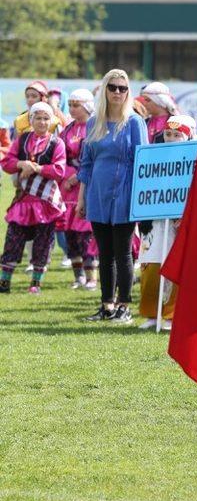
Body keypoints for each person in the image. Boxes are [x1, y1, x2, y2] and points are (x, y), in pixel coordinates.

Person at [77, 69, 148, 324]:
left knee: (123, 252)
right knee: (104, 253)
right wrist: (82, 199)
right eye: (113, 87)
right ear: (105, 89)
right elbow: (85, 163)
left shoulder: (134, 122)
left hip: (126, 193)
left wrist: (141, 199)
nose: (118, 92)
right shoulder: (92, 122)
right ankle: (106, 305)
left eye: (123, 88)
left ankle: (124, 306)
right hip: (97, 192)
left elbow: (144, 161)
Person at [0, 102, 66, 294]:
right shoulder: (22, 140)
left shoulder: (57, 143)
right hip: (23, 201)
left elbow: (59, 170)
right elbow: (7, 163)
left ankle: (35, 284)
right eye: (38, 118)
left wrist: (36, 168)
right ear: (31, 120)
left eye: (46, 118)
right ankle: (4, 283)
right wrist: (22, 163)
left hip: (45, 202)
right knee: (13, 239)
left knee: (43, 243)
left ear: (52, 120)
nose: (42, 122)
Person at [138, 114, 197, 331]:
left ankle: (172, 315)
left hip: (181, 222)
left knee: (177, 267)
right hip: (155, 221)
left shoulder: (195, 160)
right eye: (168, 134)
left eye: (177, 135)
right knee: (151, 264)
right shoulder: (153, 156)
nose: (171, 138)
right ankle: (152, 313)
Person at [58, 89, 99, 290]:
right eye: (71, 105)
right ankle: (78, 276)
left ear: (87, 106)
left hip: (87, 185)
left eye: (77, 105)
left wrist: (78, 176)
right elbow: (59, 155)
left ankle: (92, 277)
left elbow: (96, 158)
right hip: (67, 187)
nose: (72, 109)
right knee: (69, 233)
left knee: (85, 234)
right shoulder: (66, 129)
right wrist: (67, 176)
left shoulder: (96, 127)